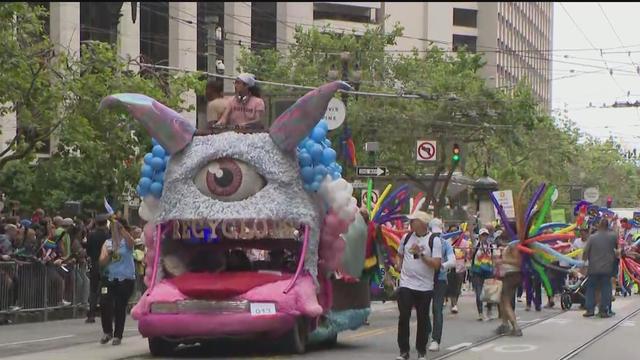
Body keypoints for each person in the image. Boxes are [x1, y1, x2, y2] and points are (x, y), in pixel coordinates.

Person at [394, 211, 442, 360]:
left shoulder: (434, 240)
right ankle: (404, 351)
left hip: (425, 287)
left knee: (422, 319)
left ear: (421, 223)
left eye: (413, 220)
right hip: (406, 284)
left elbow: (436, 264)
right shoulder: (406, 237)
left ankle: (421, 351)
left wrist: (420, 254)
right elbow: (400, 254)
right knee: (404, 317)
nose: (410, 223)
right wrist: (398, 264)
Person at [99, 218, 136, 345]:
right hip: (109, 278)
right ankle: (107, 332)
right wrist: (109, 254)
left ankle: (117, 335)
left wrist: (121, 228)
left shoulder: (127, 242)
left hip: (125, 279)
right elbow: (102, 261)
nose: (114, 229)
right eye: (112, 227)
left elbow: (132, 243)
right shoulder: (107, 243)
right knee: (104, 303)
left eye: (117, 227)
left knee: (120, 306)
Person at [429, 218, 456, 352]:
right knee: (423, 309)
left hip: (439, 279)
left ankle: (435, 339)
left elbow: (452, 260)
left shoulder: (445, 243)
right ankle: (427, 334)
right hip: (425, 279)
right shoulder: (425, 241)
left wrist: (442, 266)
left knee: (436, 308)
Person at [582, 218, 618, 318]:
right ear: (607, 226)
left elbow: (586, 251)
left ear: (599, 225)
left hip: (593, 268)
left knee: (591, 288)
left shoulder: (592, 237)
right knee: (606, 288)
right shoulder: (613, 236)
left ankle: (590, 309)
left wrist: (583, 260)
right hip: (607, 268)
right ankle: (604, 310)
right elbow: (617, 249)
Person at [494, 240, 523, 336]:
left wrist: (503, 261)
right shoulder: (511, 244)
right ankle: (504, 324)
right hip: (510, 275)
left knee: (505, 301)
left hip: (512, 275)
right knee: (503, 300)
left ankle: (515, 327)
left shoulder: (514, 245)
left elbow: (518, 262)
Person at [85, 214, 110, 323]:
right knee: (106, 288)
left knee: (93, 289)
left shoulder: (91, 235)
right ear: (105, 223)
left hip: (95, 264)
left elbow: (88, 250)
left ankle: (91, 314)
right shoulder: (108, 235)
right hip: (106, 264)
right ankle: (107, 312)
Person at [469, 228, 496, 321]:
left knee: (489, 293)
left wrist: (495, 269)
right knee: (479, 293)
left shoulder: (491, 246)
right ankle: (480, 313)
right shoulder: (476, 244)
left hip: (488, 271)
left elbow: (494, 258)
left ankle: (489, 310)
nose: (484, 237)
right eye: (482, 235)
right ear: (480, 236)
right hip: (477, 271)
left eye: (486, 235)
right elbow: (471, 235)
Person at [447, 231, 469, 314]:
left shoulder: (464, 243)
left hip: (460, 268)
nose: (454, 235)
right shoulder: (447, 242)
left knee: (458, 287)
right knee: (451, 286)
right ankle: (454, 304)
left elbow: (467, 254)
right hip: (450, 268)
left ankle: (455, 302)